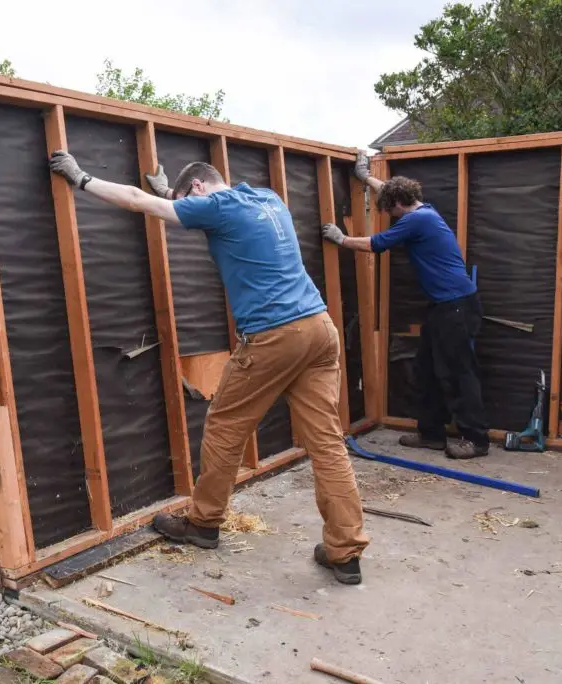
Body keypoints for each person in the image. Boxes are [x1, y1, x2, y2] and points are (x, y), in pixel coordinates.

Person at [48, 151, 370, 585]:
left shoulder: (216, 207)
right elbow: (201, 214)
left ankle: (203, 523)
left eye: (186, 199)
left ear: (197, 189)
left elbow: (139, 202)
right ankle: (345, 553)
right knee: (327, 443)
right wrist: (169, 192)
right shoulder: (266, 198)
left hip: (274, 335)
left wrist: (82, 178)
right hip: (318, 328)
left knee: (224, 427)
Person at [322, 151, 488, 459]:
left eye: (390, 211)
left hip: (456, 307)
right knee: (426, 369)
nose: (391, 214)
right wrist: (365, 177)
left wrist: (341, 239)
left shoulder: (415, 221)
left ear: (398, 206)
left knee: (458, 373)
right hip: (444, 307)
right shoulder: (424, 209)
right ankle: (432, 434)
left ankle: (476, 440)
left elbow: (375, 244)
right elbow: (390, 191)